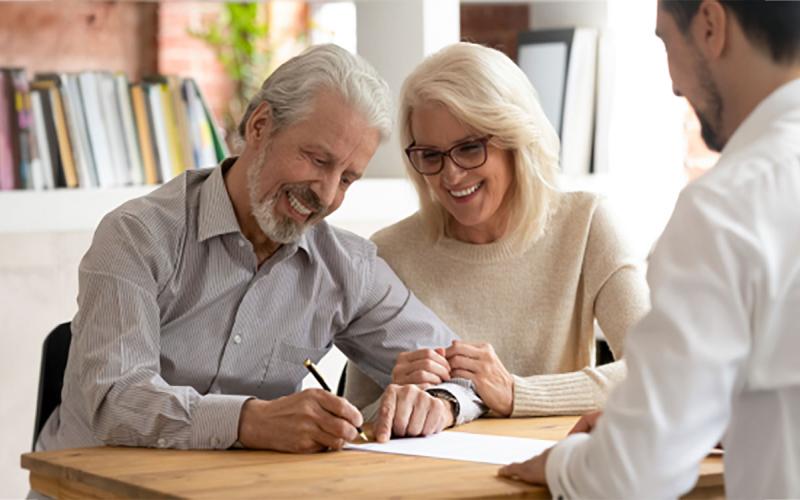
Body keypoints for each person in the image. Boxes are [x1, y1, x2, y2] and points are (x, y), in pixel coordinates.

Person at [36, 44, 485, 455]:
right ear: (259, 126)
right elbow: (115, 400)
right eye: (317, 160)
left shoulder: (346, 268)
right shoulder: (136, 235)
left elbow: (465, 370)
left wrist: (441, 402)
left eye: (347, 178)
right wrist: (250, 420)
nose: (327, 195)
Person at [499, 1, 800, 497]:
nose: (674, 84)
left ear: (710, 25)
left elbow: (634, 476)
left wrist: (568, 462)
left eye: (664, 41)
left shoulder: (726, 210)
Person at [344, 42, 649, 420]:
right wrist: (394, 399)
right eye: (431, 156)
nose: (451, 175)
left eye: (470, 148)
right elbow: (355, 422)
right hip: (431, 474)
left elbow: (657, 370)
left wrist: (515, 393)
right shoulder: (390, 252)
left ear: (515, 140)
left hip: (550, 466)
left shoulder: (587, 225)